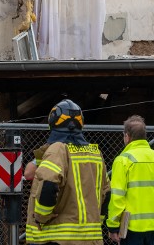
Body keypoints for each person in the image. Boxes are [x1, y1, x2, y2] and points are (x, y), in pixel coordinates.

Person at [25, 99, 109, 245]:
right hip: (91, 238)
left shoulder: (58, 149)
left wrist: (41, 217)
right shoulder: (96, 153)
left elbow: (49, 184)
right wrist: (96, 220)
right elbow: (107, 193)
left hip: (57, 238)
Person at [106, 115, 154, 245]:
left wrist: (113, 225)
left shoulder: (123, 160)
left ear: (127, 136)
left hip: (131, 227)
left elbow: (117, 197)